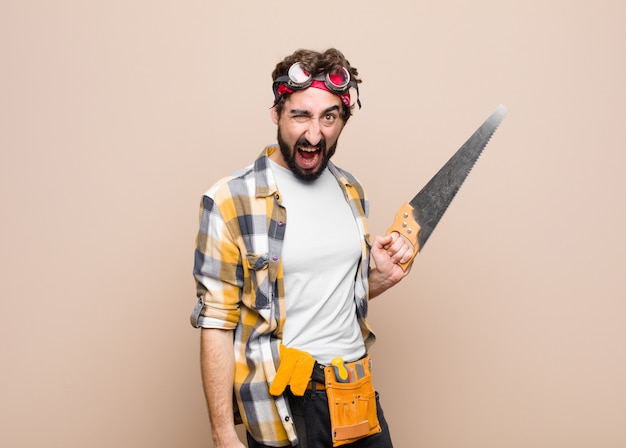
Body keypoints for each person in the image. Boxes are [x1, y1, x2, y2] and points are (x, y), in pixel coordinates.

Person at [190, 48, 415, 448]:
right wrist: (223, 432)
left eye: (329, 117)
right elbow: (216, 324)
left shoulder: (351, 191)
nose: (315, 134)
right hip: (290, 404)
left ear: (343, 120)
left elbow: (322, 295)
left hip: (356, 391)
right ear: (276, 113)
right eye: (301, 115)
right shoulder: (230, 201)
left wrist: (374, 277)